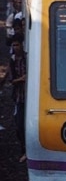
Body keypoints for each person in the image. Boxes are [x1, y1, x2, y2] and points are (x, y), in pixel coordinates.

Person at [9, 34, 25, 163]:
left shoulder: (27, 58)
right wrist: (22, 79)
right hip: (19, 97)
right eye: (13, 45)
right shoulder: (12, 60)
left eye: (17, 45)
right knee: (19, 125)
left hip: (28, 97)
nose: (15, 47)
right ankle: (23, 149)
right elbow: (11, 80)